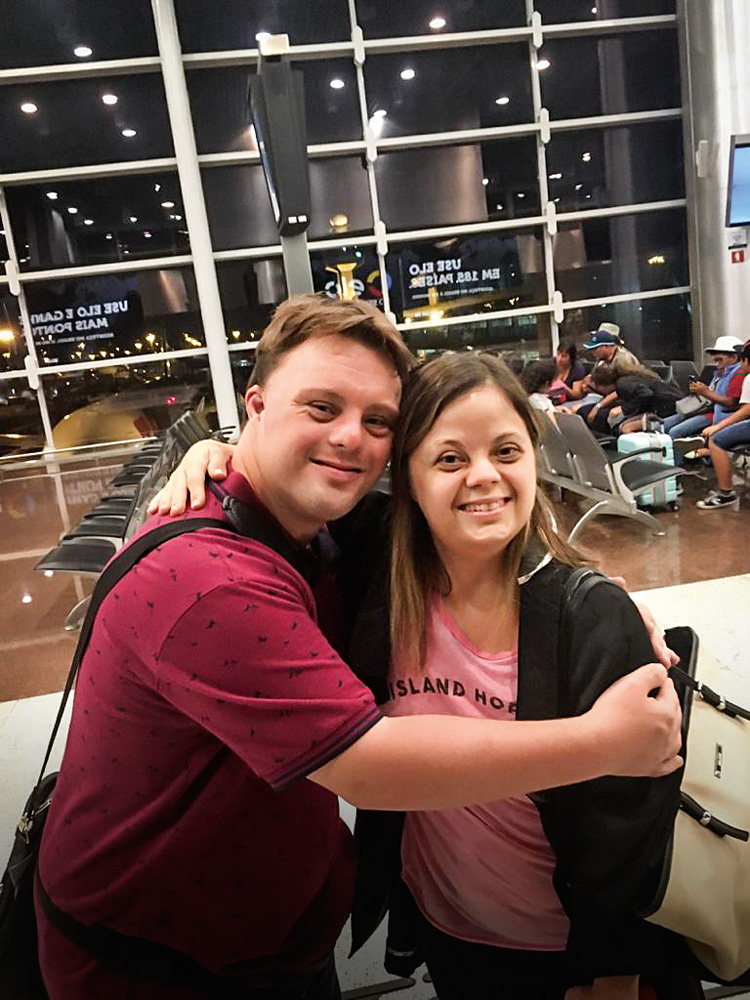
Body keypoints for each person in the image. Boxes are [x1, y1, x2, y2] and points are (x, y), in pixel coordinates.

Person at [52, 294, 678, 1000]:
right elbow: (369, 768)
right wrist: (604, 740)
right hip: (167, 964)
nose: (351, 438)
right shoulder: (222, 580)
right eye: (320, 408)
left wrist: (601, 605)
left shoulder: (326, 540)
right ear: (256, 404)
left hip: (296, 937)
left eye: (376, 420)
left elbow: (625, 834)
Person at [663, 336, 744, 452]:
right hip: (708, 410)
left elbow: (731, 402)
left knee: (675, 432)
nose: (715, 362)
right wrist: (703, 390)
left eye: (719, 358)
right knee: (664, 425)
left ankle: (677, 465)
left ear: (733, 357)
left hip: (717, 415)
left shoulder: (738, 374)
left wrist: (705, 392)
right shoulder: (721, 374)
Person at [696, 341, 750, 509]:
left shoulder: (747, 377)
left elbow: (746, 410)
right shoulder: (721, 375)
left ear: (745, 361)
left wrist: (718, 428)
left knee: (716, 440)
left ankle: (726, 494)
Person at [588, 363, 682, 436]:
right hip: (663, 404)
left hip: (667, 407)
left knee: (624, 428)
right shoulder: (624, 381)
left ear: (602, 384)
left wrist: (624, 409)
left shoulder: (624, 384)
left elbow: (646, 394)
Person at [576, 325, 640, 427]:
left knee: (597, 417)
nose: (592, 352)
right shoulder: (602, 359)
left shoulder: (623, 360)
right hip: (609, 398)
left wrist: (598, 406)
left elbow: (622, 390)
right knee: (582, 412)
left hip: (627, 401)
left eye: (595, 349)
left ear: (606, 346)